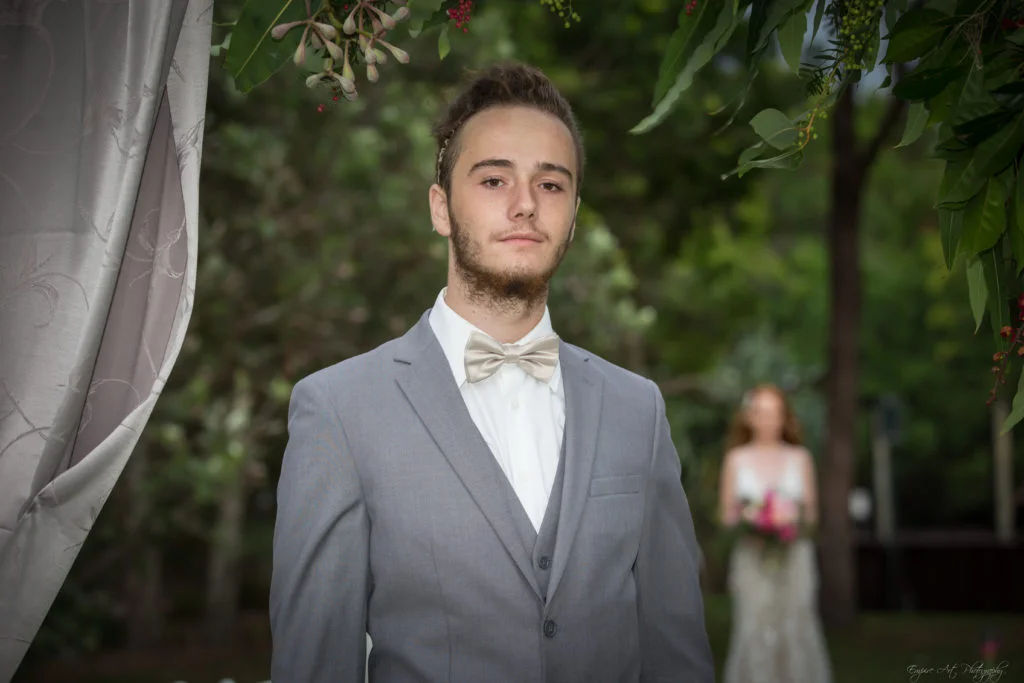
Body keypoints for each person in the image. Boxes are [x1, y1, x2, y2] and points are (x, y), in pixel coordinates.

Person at [269, 62, 714, 683]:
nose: (525, 204)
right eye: (494, 179)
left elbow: (678, 656)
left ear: (573, 216)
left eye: (550, 184)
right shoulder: (339, 411)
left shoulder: (638, 409)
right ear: (441, 208)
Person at [717, 384, 833, 683]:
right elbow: (726, 516)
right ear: (749, 417)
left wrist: (787, 523)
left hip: (794, 559)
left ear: (784, 417)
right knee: (754, 629)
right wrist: (752, 519)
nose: (768, 420)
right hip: (752, 560)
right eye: (761, 412)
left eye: (774, 412)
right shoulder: (736, 459)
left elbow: (811, 516)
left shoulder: (800, 458)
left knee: (796, 628)